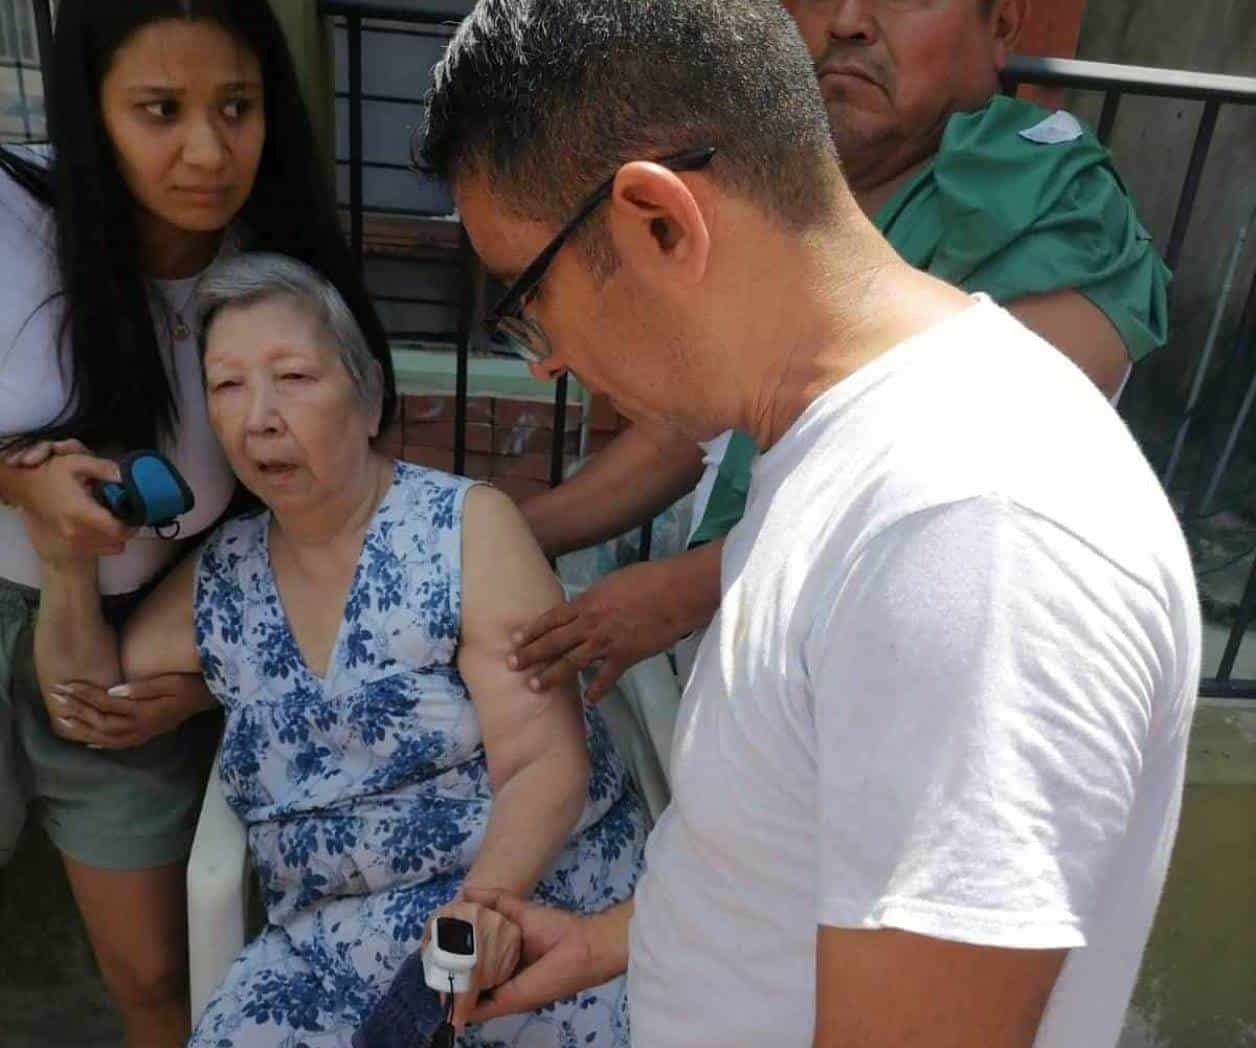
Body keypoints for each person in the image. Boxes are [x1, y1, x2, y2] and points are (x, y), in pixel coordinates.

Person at [419, 0, 1200, 1045]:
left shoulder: (964, 532)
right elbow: (821, 851)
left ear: (660, 223)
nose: (545, 358)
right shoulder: (838, 456)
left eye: (527, 302)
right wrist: (616, 940)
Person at [28, 253, 648, 1047]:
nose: (259, 417)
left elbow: (543, 762)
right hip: (323, 952)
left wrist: (474, 918)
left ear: (368, 399)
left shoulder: (466, 530)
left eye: (293, 377)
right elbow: (89, 703)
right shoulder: (226, 575)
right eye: (227, 386)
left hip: (525, 911)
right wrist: (66, 561)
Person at [507, 0, 1172, 706]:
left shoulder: (1048, 202)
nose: (850, 21)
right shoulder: (787, 190)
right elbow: (698, 423)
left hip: (894, 686)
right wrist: (517, 531)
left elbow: (946, 488)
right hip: (734, 668)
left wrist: (681, 592)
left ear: (1000, 27)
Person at [0, 3, 394, 1044]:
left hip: (138, 649)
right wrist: (16, 484)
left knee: (161, 980)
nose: (208, 151)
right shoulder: (10, 219)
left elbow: (301, 516)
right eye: (159, 111)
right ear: (92, 113)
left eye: (237, 106)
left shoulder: (276, 282)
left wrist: (204, 671)